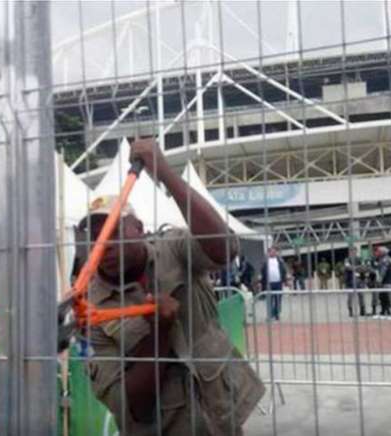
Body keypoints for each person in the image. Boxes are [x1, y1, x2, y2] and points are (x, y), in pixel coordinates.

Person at [82, 138, 264, 435]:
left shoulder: (173, 248)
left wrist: (164, 172)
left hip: (221, 419)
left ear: (138, 229)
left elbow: (225, 249)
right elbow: (130, 405)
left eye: (113, 232)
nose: (104, 247)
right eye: (95, 239)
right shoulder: (91, 308)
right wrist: (160, 331)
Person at [260, 247, 287, 321]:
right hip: (269, 283)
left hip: (278, 282)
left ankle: (277, 313)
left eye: (274, 251)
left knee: (278, 299)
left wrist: (285, 281)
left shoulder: (280, 260)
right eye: (271, 251)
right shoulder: (265, 261)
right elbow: (262, 272)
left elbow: (284, 270)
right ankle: (270, 314)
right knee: (269, 300)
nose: (273, 253)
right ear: (268, 252)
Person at [374, 246, 391, 319]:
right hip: (389, 281)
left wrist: (379, 280)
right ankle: (383, 312)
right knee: (383, 297)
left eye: (378, 251)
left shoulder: (385, 260)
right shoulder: (387, 259)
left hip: (387, 281)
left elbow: (383, 271)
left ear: (383, 252)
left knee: (390, 298)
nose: (377, 253)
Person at [344, 247, 366, 317]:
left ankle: (362, 310)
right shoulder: (347, 259)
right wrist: (357, 267)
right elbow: (347, 267)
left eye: (354, 251)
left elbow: (363, 267)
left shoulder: (360, 259)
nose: (353, 253)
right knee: (350, 297)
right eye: (352, 251)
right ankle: (350, 311)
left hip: (359, 280)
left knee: (361, 296)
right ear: (349, 252)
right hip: (350, 281)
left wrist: (354, 267)